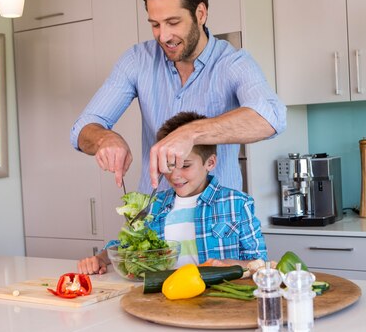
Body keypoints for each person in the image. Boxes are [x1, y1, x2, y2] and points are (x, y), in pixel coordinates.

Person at [70, 0, 286, 194]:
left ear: (200, 14)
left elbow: (272, 117)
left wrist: (190, 133)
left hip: (217, 221)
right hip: (156, 221)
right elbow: (83, 128)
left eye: (173, 23)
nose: (163, 36)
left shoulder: (233, 63)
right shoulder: (137, 60)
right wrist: (104, 138)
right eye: (155, 24)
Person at [78, 111, 267, 275]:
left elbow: (261, 264)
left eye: (185, 165)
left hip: (218, 303)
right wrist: (101, 258)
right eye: (168, 165)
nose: (174, 175)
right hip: (166, 301)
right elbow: (127, 246)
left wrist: (229, 265)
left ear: (210, 163)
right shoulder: (154, 207)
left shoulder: (237, 203)